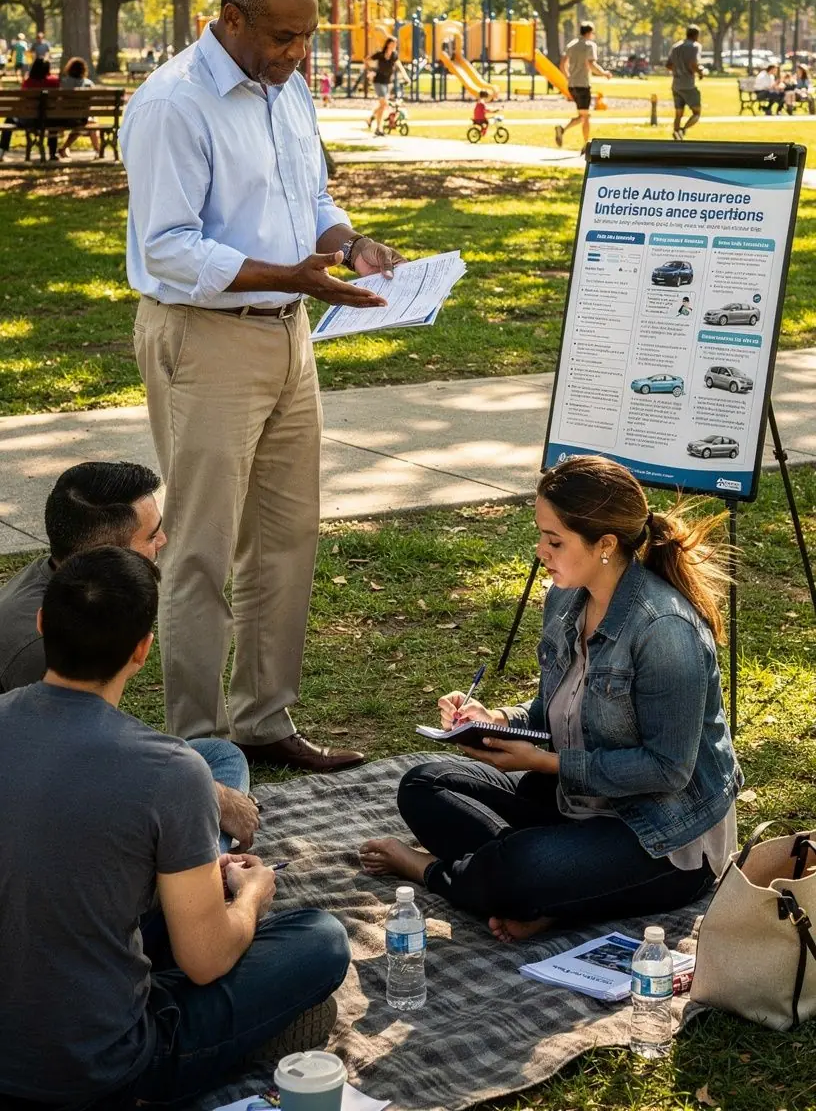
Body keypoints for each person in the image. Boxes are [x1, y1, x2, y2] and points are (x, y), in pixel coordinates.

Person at [120, 0, 407, 770]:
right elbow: (169, 247)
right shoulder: (175, 103)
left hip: (289, 334)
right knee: (201, 546)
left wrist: (349, 243)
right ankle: (200, 747)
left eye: (307, 36)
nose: (297, 53)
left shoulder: (289, 90)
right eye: (283, 36)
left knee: (285, 537)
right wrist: (290, 275)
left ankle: (263, 719)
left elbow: (309, 196)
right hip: (204, 338)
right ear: (232, 17)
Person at [0, 546, 351, 1106]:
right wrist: (253, 895)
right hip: (103, 1067)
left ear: (42, 622)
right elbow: (205, 960)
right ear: (143, 648)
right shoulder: (170, 771)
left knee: (217, 756)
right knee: (322, 940)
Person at [361, 454, 741, 941]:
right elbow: (555, 710)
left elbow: (669, 770)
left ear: (605, 545)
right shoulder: (566, 597)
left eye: (555, 540)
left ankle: (434, 871)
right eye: (541, 535)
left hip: (661, 837)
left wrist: (545, 763)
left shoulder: (665, 630)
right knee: (423, 785)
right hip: (575, 805)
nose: (541, 551)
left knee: (520, 867)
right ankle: (551, 889)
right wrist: (495, 719)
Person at [0, 459, 260, 852]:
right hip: (46, 812)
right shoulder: (39, 648)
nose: (164, 541)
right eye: (151, 536)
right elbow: (77, 768)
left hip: (64, 765)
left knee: (218, 755)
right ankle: (201, 865)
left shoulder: (57, 581)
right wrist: (215, 798)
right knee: (198, 780)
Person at [555, 22, 611, 149]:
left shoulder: (571, 45)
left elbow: (562, 63)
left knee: (583, 115)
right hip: (583, 85)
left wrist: (568, 77)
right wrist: (604, 73)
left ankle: (562, 130)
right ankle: (586, 145)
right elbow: (591, 64)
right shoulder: (589, 45)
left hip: (572, 85)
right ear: (589, 32)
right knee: (585, 116)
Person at [0, 55, 61, 160]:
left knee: (9, 119)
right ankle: (52, 153)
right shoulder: (54, 82)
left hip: (28, 120)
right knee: (53, 120)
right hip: (49, 120)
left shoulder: (28, 82)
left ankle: (1, 151)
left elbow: (22, 101)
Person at [58, 55, 101, 157]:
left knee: (86, 124)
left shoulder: (63, 83)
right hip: (81, 118)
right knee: (92, 123)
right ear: (84, 70)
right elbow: (92, 102)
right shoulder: (88, 84)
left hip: (63, 118)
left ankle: (64, 149)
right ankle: (98, 151)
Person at [667, 24, 705, 140]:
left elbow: (668, 65)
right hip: (688, 85)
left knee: (678, 113)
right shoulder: (695, 46)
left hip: (676, 84)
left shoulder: (676, 47)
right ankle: (683, 130)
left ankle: (676, 134)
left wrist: (678, 70)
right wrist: (700, 73)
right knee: (697, 112)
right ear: (696, 35)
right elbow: (693, 64)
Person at [366, 35, 405, 136]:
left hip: (387, 82)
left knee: (383, 106)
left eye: (395, 44)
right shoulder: (380, 54)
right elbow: (366, 59)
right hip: (378, 81)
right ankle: (379, 128)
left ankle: (371, 119)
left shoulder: (394, 55)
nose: (394, 46)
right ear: (388, 44)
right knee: (384, 104)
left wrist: (406, 77)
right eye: (392, 44)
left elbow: (400, 66)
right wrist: (370, 70)